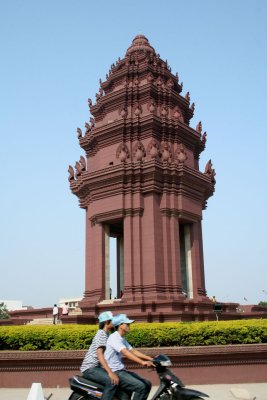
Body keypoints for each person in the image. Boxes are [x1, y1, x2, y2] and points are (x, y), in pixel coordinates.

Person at [104, 314, 154, 400]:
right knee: (141, 387)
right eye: (127, 324)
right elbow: (126, 353)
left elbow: (133, 351)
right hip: (115, 371)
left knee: (147, 384)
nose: (129, 326)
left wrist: (151, 359)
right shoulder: (114, 338)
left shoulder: (121, 338)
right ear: (120, 325)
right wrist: (142, 362)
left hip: (121, 370)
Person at [80, 311, 127, 400]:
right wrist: (110, 372)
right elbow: (100, 355)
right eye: (112, 320)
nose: (115, 322)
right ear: (106, 322)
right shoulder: (101, 334)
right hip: (90, 368)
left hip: (96, 368)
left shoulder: (107, 335)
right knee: (112, 381)